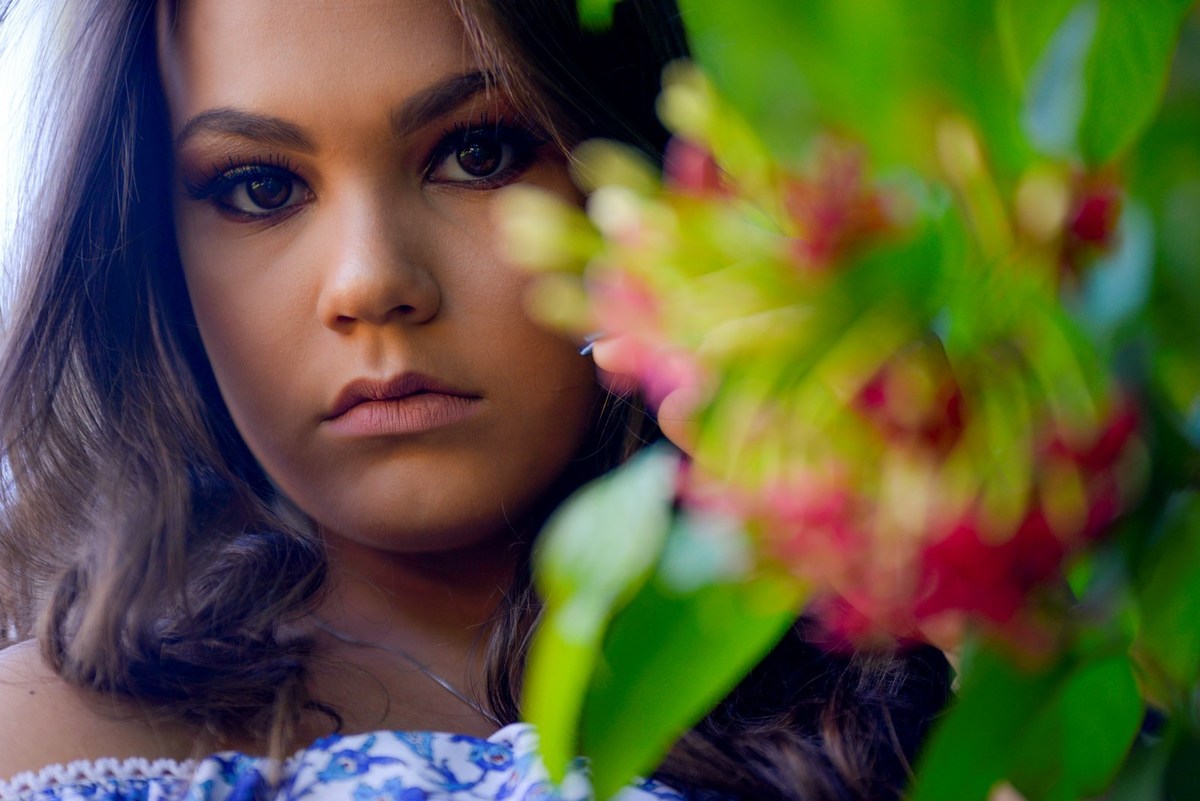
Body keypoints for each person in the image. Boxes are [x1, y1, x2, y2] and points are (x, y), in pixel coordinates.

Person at [0, 1, 950, 799]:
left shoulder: (921, 661)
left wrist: (941, 561)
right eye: (259, 186)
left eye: (480, 154)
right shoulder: (45, 744)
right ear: (151, 256)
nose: (372, 282)